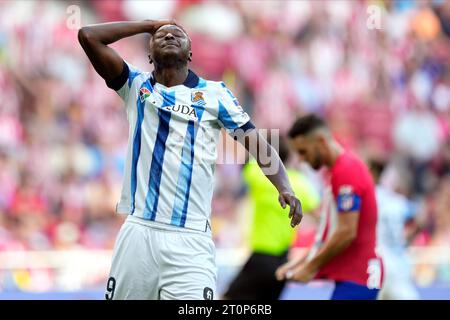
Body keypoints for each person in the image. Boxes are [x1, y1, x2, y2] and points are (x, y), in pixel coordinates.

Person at [77, 19, 303, 300]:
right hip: (139, 232)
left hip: (191, 238)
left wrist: (285, 186)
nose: (169, 35)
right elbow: (88, 36)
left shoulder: (215, 94)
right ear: (149, 52)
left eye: (178, 34)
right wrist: (148, 25)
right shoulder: (134, 85)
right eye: (161, 35)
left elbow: (257, 143)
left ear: (190, 53)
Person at [276, 114, 383, 300]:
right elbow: (328, 233)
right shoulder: (338, 171)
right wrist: (299, 262)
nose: (301, 160)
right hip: (354, 277)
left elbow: (346, 232)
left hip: (359, 276)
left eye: (303, 152)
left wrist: (310, 267)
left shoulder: (346, 170)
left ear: (320, 141)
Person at [223, 136, 320, 300]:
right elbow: (320, 217)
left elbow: (247, 160)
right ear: (289, 156)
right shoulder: (301, 183)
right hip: (283, 260)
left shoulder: (257, 174)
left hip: (260, 257)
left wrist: (261, 145)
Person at [369, 159, 421, 300]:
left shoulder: (368, 197)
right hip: (399, 263)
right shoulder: (399, 202)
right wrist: (406, 239)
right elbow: (420, 218)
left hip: (376, 264)